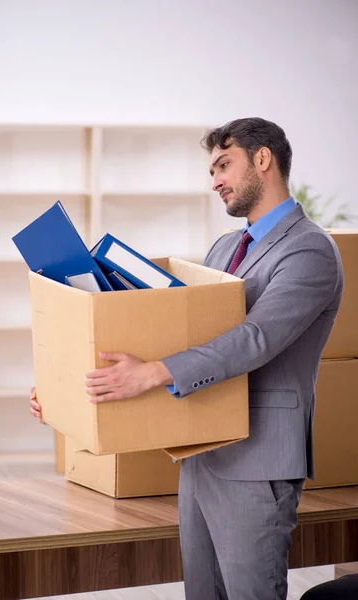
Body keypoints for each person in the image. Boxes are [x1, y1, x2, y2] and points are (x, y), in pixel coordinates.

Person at [30, 118, 344, 600]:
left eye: (224, 165)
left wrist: (153, 372)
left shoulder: (310, 250)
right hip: (200, 450)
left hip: (257, 459)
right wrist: (65, 387)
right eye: (212, 169)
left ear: (263, 160)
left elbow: (256, 338)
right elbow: (177, 330)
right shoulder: (223, 248)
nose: (215, 179)